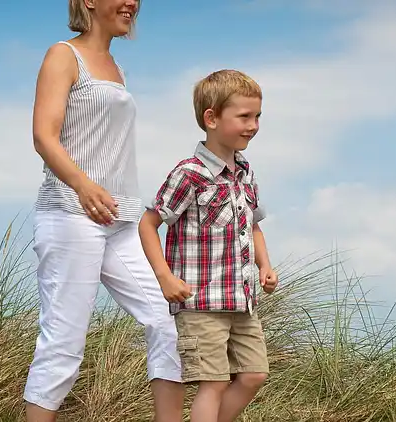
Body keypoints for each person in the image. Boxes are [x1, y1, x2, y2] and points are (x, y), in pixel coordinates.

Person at [23, 0, 184, 420]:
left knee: (168, 322)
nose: (132, 3)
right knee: (63, 345)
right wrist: (82, 185)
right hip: (70, 216)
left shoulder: (115, 66)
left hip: (121, 220)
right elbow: (44, 135)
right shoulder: (63, 55)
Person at [139, 69, 279, 422]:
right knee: (213, 383)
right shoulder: (190, 173)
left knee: (254, 374)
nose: (254, 125)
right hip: (200, 302)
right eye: (244, 116)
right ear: (211, 118)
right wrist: (165, 278)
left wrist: (265, 265)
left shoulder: (245, 171)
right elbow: (148, 222)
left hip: (241, 300)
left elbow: (254, 225)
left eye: (257, 116)